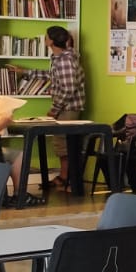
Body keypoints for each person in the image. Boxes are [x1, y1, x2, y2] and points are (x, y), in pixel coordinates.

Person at [46, 27, 87, 189]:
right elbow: (54, 77)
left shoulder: (64, 61)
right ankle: (65, 178)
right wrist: (28, 72)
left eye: (46, 36)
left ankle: (68, 179)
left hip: (67, 108)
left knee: (64, 144)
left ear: (51, 41)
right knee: (62, 143)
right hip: (66, 107)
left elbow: (69, 89)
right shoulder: (62, 58)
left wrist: (55, 109)